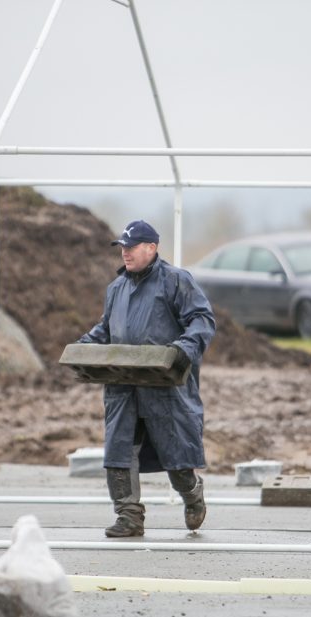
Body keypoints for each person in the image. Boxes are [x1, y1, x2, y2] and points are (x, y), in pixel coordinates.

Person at [78, 220, 216, 538]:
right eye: (122, 247)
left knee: (178, 454)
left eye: (131, 246)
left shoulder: (176, 281)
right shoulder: (116, 288)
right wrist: (85, 347)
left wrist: (185, 347)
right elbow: (105, 329)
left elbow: (201, 319)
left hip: (164, 385)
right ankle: (129, 516)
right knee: (119, 450)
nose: (125, 252)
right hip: (122, 384)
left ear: (151, 248)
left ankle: (192, 493)